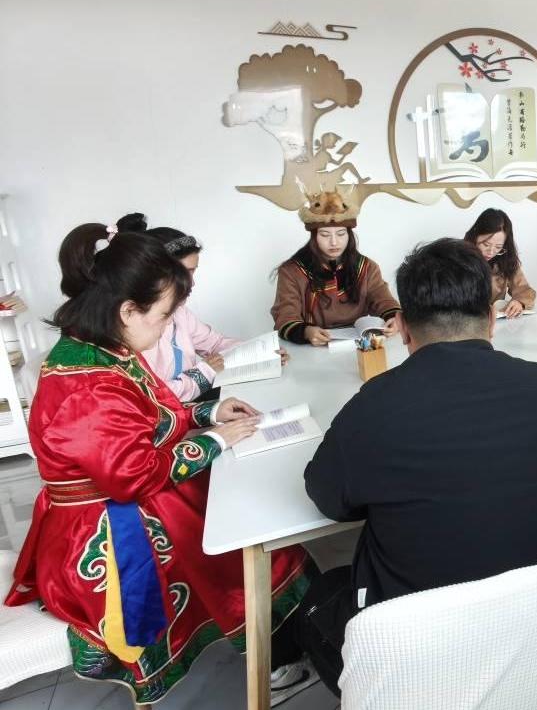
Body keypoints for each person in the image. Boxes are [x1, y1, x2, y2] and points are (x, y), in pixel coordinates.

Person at [4, 223, 314, 705]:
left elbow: (148, 416)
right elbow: (133, 475)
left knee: (248, 525)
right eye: (164, 316)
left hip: (125, 499)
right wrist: (214, 441)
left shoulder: (105, 348)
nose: (168, 327)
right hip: (106, 528)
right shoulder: (86, 381)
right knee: (246, 548)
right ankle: (278, 658)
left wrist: (206, 413)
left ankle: (282, 646)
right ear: (128, 309)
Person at [300, 238, 537, 695]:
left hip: (422, 669)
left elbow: (329, 499)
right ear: (491, 320)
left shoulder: (374, 409)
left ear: (404, 329)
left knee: (318, 601)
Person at [115, 213, 288, 402]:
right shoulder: (135, 327)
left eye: (193, 272)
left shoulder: (180, 313)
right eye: (184, 273)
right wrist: (204, 371)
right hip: (171, 412)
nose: (191, 283)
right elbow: (153, 397)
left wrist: (260, 354)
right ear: (154, 273)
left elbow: (214, 344)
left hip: (189, 405)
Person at [272, 220, 401, 347]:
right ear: (314, 236)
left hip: (359, 344)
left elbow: (383, 300)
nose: (334, 242)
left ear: (349, 234)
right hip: (312, 347)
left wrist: (395, 320)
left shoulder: (367, 267)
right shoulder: (292, 271)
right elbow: (285, 316)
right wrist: (306, 332)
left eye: (341, 234)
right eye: (325, 235)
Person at [463, 208, 536, 318]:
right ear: (475, 236)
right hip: (463, 322)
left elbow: (524, 290)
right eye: (486, 244)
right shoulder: (458, 257)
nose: (491, 252)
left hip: (496, 322)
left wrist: (519, 302)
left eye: (498, 247)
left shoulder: (506, 260)